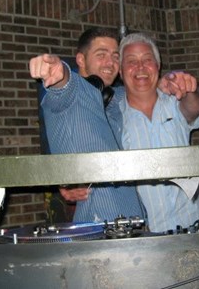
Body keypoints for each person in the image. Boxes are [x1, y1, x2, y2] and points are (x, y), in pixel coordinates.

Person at [29, 27, 144, 223]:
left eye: (115, 56)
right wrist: (58, 71)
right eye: (101, 55)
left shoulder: (115, 97)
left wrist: (165, 82)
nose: (111, 63)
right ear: (81, 60)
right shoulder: (74, 93)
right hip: (100, 224)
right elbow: (63, 85)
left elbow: (145, 90)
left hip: (134, 219)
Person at [118, 32, 199, 233]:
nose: (140, 67)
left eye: (147, 60)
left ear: (158, 67)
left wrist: (188, 86)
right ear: (120, 71)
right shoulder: (116, 119)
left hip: (196, 227)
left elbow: (196, 106)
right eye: (131, 61)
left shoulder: (173, 103)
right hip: (149, 236)